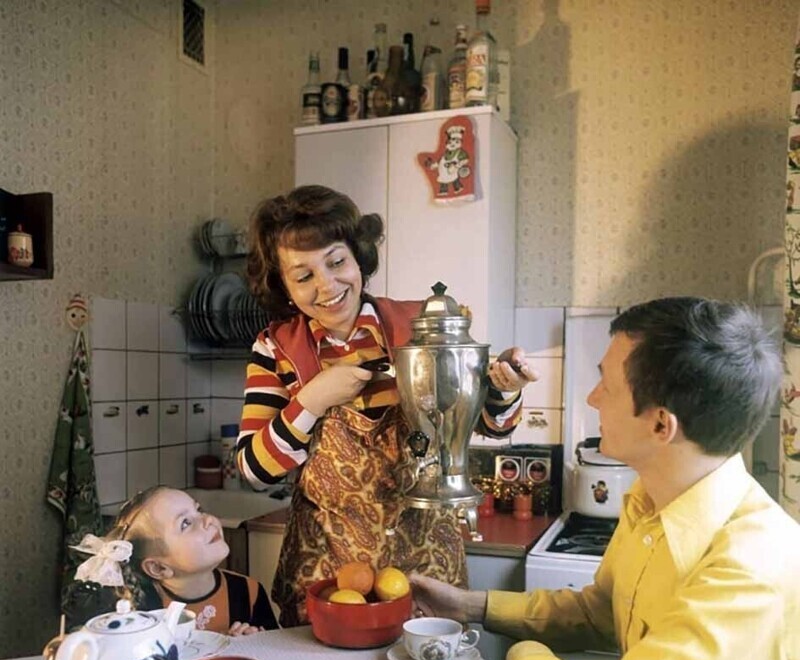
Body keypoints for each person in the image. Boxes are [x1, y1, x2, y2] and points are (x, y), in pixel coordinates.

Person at [409, 297, 800, 660]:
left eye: (607, 386)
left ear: (661, 424)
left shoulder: (752, 569)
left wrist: (519, 656)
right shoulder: (650, 503)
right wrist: (473, 607)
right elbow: (602, 611)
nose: (592, 398)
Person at [237, 184, 536, 626]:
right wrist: (314, 397)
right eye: (303, 276)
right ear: (283, 285)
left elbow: (490, 427)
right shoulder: (276, 349)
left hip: (427, 572)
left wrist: (505, 388)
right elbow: (254, 469)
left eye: (337, 262)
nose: (327, 285)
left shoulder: (421, 326)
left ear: (358, 257)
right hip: (326, 576)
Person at [67, 486, 278, 636]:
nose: (207, 520)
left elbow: (275, 658)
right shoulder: (140, 611)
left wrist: (252, 641)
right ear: (158, 567)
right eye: (186, 523)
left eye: (199, 509)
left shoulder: (248, 592)